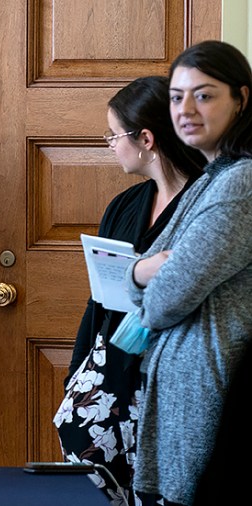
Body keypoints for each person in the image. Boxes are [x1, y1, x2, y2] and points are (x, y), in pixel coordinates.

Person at [52, 76, 206, 505]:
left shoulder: (206, 206)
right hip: (113, 369)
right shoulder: (123, 206)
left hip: (170, 372)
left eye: (113, 134)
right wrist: (77, 373)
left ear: (146, 139)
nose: (109, 145)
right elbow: (97, 301)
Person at [127, 40, 252, 506]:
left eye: (204, 95)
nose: (186, 110)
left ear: (241, 98)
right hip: (187, 387)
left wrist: (146, 277)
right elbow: (138, 273)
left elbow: (164, 301)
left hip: (212, 385)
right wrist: (143, 271)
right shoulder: (210, 178)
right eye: (177, 97)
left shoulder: (241, 183)